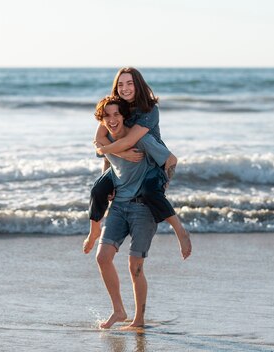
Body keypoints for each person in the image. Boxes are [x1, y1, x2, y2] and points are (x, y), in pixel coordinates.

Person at [83, 96, 177, 329]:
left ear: (125, 116)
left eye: (117, 115)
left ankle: (139, 320)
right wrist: (113, 167)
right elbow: (106, 157)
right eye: (107, 116)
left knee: (135, 267)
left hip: (142, 207)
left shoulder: (141, 138)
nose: (112, 120)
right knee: (102, 258)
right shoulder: (105, 140)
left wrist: (162, 184)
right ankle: (119, 310)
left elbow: (170, 160)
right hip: (118, 207)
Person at [87, 67, 191, 260]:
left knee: (150, 192)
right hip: (124, 163)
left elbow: (119, 143)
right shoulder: (115, 109)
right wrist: (110, 168)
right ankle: (94, 231)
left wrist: (104, 149)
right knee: (98, 190)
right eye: (120, 84)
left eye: (129, 83)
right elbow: (100, 137)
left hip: (152, 161)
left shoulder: (149, 110)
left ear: (138, 85)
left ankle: (180, 231)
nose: (124, 88)